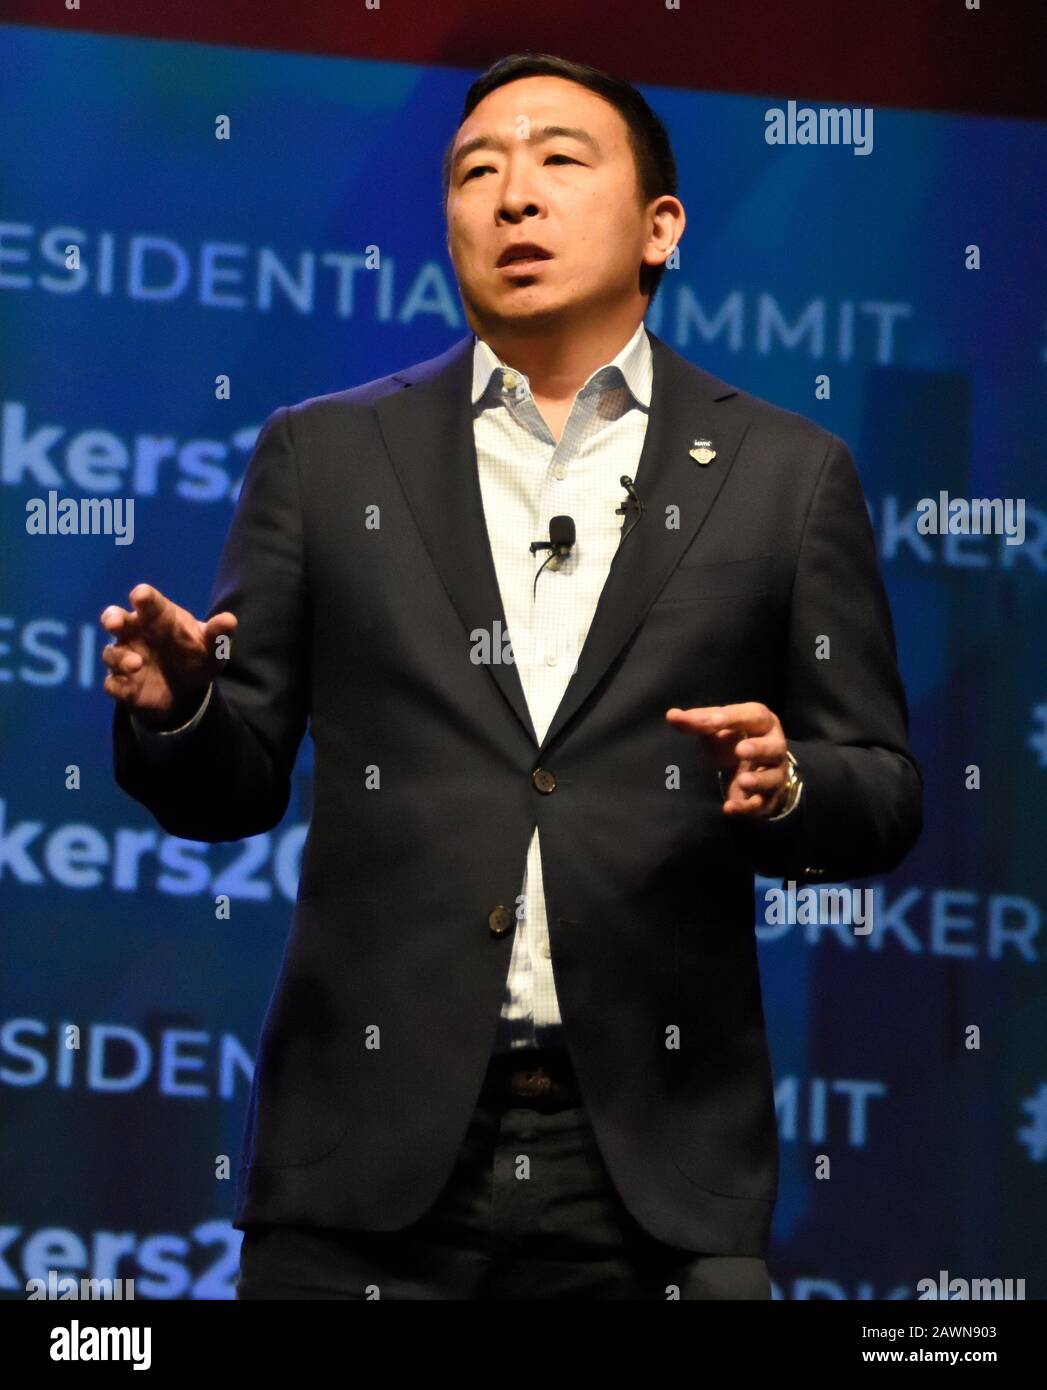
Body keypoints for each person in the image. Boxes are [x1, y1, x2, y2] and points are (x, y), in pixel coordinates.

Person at [101, 53, 922, 1299]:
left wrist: (790, 780)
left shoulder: (785, 473)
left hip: (649, 1164)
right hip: (361, 1170)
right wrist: (188, 710)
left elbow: (886, 789)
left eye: (557, 162)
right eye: (477, 171)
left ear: (662, 228)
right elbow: (237, 787)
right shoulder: (326, 456)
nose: (512, 197)